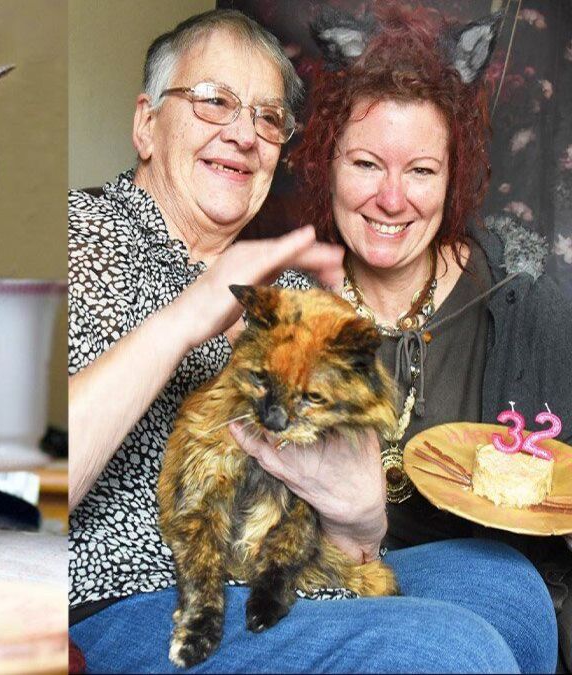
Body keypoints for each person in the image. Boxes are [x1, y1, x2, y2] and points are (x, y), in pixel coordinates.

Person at [69, 7, 556, 673]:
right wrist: (190, 313)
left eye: (268, 118)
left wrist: (359, 523)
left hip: (292, 578)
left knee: (508, 586)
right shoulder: (89, 232)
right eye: (214, 102)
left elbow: (344, 530)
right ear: (146, 124)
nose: (243, 133)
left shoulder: (290, 283)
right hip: (135, 594)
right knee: (447, 651)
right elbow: (44, 482)